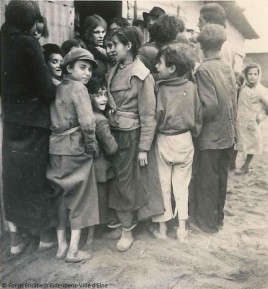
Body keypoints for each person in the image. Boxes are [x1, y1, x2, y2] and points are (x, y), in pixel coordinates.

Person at [1, 0, 56, 254]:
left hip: (11, 118)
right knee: (36, 177)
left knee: (13, 178)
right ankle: (45, 236)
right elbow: (45, 89)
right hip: (33, 120)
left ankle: (15, 239)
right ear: (30, 20)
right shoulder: (28, 43)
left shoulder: (3, 38)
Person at [106, 26, 164, 252]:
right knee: (117, 179)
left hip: (131, 135)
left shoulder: (142, 75)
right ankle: (123, 222)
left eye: (115, 45)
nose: (111, 50)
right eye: (109, 45)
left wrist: (143, 148)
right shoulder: (115, 69)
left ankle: (127, 230)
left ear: (129, 46)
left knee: (125, 182)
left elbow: (149, 116)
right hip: (113, 131)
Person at [46, 48, 99, 262]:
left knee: (60, 196)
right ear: (69, 68)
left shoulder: (57, 87)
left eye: (89, 69)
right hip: (74, 148)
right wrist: (91, 145)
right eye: (82, 67)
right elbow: (87, 122)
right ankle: (74, 251)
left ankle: (61, 247)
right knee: (80, 197)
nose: (87, 73)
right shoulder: (79, 89)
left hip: (55, 148)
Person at [152, 42, 202, 243]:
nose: (156, 67)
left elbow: (155, 117)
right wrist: (195, 133)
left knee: (163, 183)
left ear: (172, 68)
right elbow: (198, 115)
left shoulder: (160, 89)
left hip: (165, 139)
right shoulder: (192, 87)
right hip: (185, 139)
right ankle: (182, 230)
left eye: (160, 63)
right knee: (182, 185)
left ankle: (162, 229)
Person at [193, 24, 237, 233]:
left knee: (207, 180)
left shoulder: (203, 70)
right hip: (227, 135)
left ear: (202, 46)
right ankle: (218, 218)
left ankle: (207, 223)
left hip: (210, 137)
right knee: (221, 178)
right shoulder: (227, 66)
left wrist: (194, 120)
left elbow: (209, 106)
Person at [88, 78, 119, 226]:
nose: (104, 99)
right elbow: (111, 148)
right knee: (103, 196)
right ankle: (107, 223)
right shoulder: (101, 120)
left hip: (91, 165)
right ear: (89, 96)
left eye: (105, 94)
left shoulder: (89, 115)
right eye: (99, 95)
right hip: (102, 166)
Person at [234, 63, 268, 174]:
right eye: (250, 74)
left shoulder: (261, 90)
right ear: (246, 75)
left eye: (255, 74)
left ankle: (246, 166)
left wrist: (261, 117)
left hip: (251, 122)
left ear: (259, 75)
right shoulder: (242, 87)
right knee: (236, 141)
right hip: (239, 120)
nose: (252, 76)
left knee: (253, 144)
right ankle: (232, 163)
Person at [197, 3, 235, 69]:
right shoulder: (230, 48)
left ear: (212, 23)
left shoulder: (205, 45)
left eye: (201, 21)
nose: (198, 24)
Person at [80, 14, 107, 83]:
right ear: (88, 33)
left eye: (103, 32)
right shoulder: (83, 49)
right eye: (97, 32)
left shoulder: (106, 49)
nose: (101, 36)